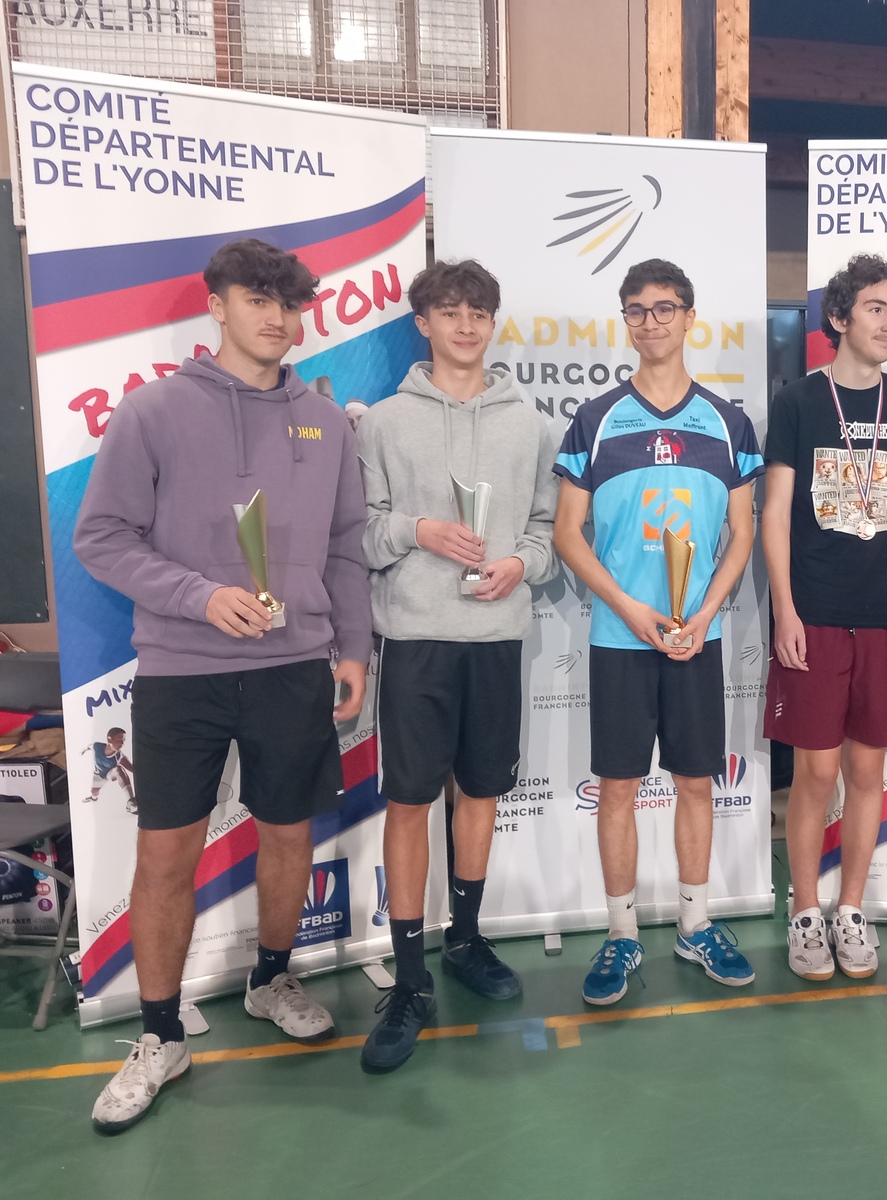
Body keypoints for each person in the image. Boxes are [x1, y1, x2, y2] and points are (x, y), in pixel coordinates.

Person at [74, 238, 371, 1133]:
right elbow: (102, 536)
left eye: (290, 303)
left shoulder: (327, 423)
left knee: (288, 836)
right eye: (257, 299)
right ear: (218, 305)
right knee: (166, 857)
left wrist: (353, 648)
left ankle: (271, 978)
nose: (276, 317)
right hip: (184, 670)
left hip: (295, 667)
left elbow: (346, 548)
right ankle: (161, 1034)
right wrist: (200, 596)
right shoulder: (154, 411)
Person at [354, 260, 559, 1072]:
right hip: (415, 639)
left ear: (492, 323)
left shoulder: (528, 423)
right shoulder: (383, 423)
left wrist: (521, 565)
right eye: (449, 311)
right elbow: (363, 533)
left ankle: (465, 939)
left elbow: (546, 530)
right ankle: (408, 978)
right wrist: (418, 530)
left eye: (478, 312)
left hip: (496, 637)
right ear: (423, 324)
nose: (466, 325)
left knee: (480, 792)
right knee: (409, 801)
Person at [553, 259, 762, 1005]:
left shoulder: (729, 423)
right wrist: (626, 607)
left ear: (689, 317)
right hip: (620, 637)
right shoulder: (596, 419)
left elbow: (743, 533)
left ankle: (695, 924)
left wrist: (705, 615)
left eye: (665, 308)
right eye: (637, 310)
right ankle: (621, 934)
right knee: (618, 786)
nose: (652, 322)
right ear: (626, 322)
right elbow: (567, 533)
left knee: (696, 782)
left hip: (695, 638)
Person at [763, 254, 887, 980]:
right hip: (818, 612)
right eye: (874, 308)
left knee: (868, 771)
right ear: (838, 317)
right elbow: (774, 514)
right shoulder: (800, 403)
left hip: (885, 614)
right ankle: (805, 910)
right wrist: (785, 610)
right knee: (815, 772)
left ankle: (850, 909)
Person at [87, 727, 136, 815]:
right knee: (94, 791)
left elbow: (133, 769)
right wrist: (82, 751)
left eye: (123, 740)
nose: (122, 743)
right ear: (109, 739)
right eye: (119, 739)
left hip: (109, 774)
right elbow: (89, 747)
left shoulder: (119, 756)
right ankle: (93, 798)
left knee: (118, 769)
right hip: (98, 775)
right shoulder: (97, 746)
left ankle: (131, 801)